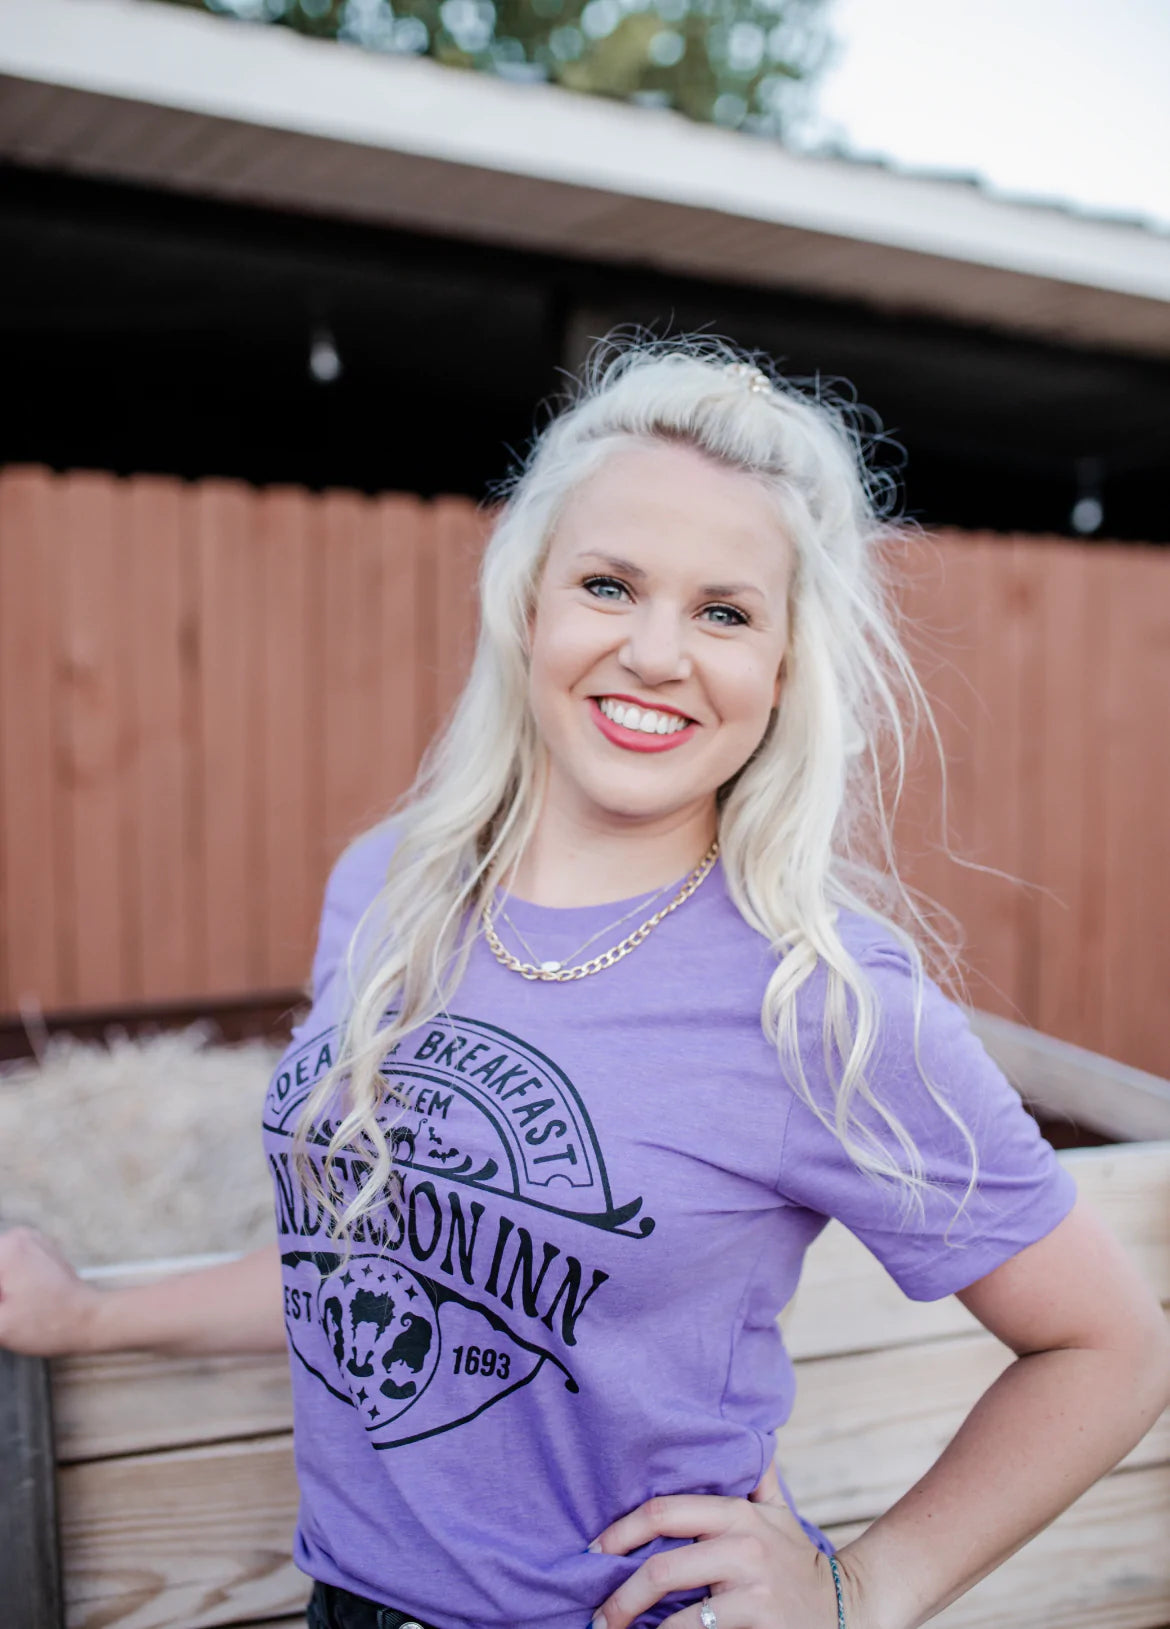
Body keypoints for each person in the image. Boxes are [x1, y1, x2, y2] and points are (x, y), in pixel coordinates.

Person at [2, 338, 1168, 1629]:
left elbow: (1110, 1345)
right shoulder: (390, 888)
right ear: (529, 604)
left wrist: (864, 1586)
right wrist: (88, 1316)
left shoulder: (819, 999)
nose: (657, 653)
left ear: (787, 668)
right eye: (610, 585)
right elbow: (362, 1250)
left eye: (724, 612)